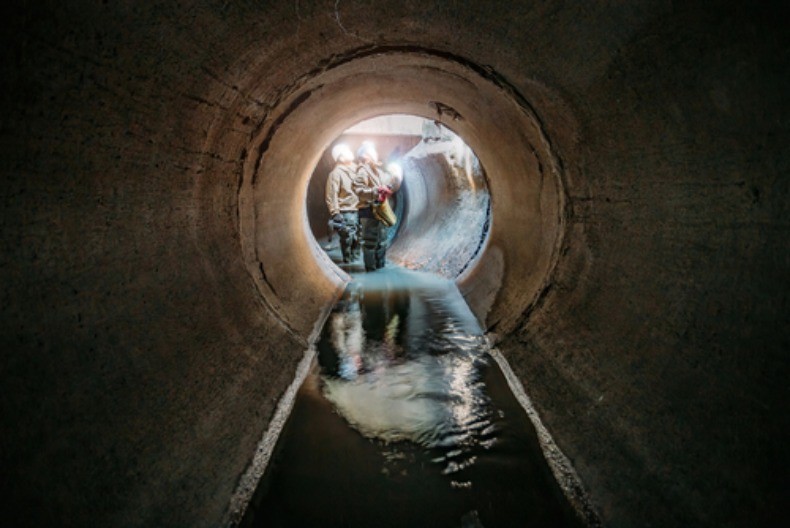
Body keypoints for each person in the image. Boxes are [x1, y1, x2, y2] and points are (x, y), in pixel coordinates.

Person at [353, 141, 396, 271]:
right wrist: (376, 192)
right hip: (368, 210)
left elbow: (388, 181)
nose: (376, 153)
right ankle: (371, 271)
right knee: (370, 242)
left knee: (381, 241)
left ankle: (380, 268)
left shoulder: (377, 170)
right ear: (366, 155)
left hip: (379, 210)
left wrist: (389, 184)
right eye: (372, 151)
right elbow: (358, 190)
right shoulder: (363, 170)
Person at [325, 143, 360, 264]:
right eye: (346, 151)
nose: (350, 152)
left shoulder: (356, 169)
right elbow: (331, 194)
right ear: (340, 157)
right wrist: (335, 212)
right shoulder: (336, 173)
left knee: (358, 238)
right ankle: (348, 264)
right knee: (348, 238)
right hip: (346, 211)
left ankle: (357, 262)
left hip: (359, 208)